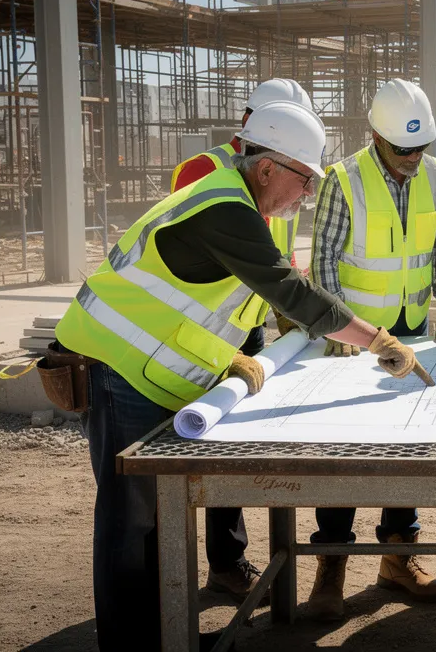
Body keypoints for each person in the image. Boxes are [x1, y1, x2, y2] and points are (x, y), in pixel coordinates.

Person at [54, 100, 428, 652]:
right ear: (269, 167)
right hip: (116, 368)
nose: (306, 194)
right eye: (304, 180)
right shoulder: (225, 207)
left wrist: (223, 356)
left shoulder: (241, 203)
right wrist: (375, 339)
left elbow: (199, 301)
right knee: (131, 525)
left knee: (158, 521)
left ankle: (163, 637)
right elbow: (291, 292)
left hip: (142, 367)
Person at [305, 78, 436, 618]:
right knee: (344, 450)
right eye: (402, 149)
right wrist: (332, 327)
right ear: (375, 135)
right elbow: (325, 257)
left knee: (408, 446)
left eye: (421, 147)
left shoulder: (435, 173)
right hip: (353, 340)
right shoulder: (344, 178)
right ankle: (331, 565)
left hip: (412, 327)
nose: (412, 158)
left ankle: (398, 555)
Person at [166, 77, 313, 604]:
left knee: (246, 441)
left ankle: (239, 560)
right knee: (205, 444)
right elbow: (195, 258)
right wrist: (224, 350)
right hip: (202, 331)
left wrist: (282, 318)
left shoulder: (276, 170)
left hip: (247, 325)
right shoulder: (207, 171)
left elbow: (276, 253)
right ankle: (221, 565)